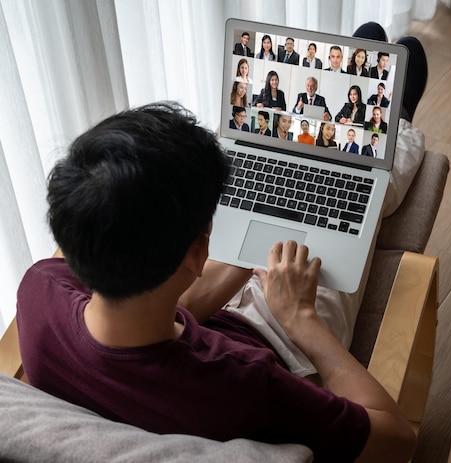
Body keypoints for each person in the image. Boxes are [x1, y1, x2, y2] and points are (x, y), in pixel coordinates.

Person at [16, 101, 418, 462]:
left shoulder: (40, 291)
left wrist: (233, 264)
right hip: (278, 334)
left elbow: (165, 317)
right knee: (353, 197)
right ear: (197, 253)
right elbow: (397, 438)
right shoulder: (247, 384)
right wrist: (300, 318)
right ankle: (400, 125)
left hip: (194, 309)